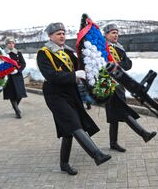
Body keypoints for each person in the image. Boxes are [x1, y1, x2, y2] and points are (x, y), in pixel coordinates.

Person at [37, 22, 111, 175]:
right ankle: (96, 154)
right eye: (58, 33)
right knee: (73, 122)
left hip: (71, 92)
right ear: (50, 36)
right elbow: (50, 75)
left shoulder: (68, 51)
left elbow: (80, 65)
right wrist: (73, 76)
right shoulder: (44, 53)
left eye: (63, 33)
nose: (62, 36)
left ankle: (64, 164)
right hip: (55, 94)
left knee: (68, 130)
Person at [103, 23, 156, 152]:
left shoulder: (119, 48)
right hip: (108, 84)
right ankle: (143, 133)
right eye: (112, 32)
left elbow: (128, 64)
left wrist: (118, 64)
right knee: (122, 110)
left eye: (116, 32)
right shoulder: (102, 48)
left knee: (115, 115)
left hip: (119, 83)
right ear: (106, 35)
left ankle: (113, 143)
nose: (115, 35)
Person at [3, 37, 27, 118]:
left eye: (13, 43)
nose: (11, 44)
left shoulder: (18, 53)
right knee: (12, 94)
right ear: (6, 45)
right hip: (8, 77)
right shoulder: (3, 54)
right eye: (9, 43)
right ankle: (17, 110)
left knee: (20, 94)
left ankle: (15, 105)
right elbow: (0, 65)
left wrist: (18, 70)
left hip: (17, 75)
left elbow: (23, 63)